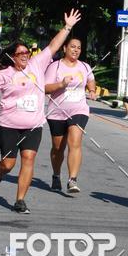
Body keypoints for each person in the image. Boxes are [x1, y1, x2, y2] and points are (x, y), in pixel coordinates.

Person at [0, 8, 82, 214]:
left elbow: (53, 45)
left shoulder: (36, 64)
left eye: (27, 52)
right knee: (8, 164)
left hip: (33, 126)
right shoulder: (4, 75)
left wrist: (68, 26)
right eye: (21, 53)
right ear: (12, 57)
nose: (25, 56)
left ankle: (20, 200)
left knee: (29, 159)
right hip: (9, 126)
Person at [44, 36, 97, 193]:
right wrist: (61, 84)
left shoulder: (85, 67)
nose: (76, 50)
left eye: (79, 48)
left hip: (78, 110)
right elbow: (45, 88)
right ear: (65, 48)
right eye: (73, 47)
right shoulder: (55, 67)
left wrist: (92, 90)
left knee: (75, 142)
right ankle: (56, 174)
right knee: (57, 148)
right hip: (57, 112)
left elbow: (90, 80)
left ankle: (72, 180)